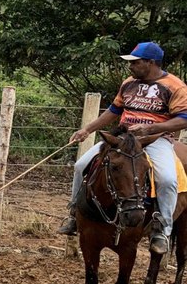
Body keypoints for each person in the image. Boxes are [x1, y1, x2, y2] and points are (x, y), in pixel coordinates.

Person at [58, 41, 187, 254]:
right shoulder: (129, 82)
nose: (130, 66)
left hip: (155, 140)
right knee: (81, 165)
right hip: (123, 138)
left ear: (150, 62)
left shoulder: (175, 86)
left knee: (167, 179)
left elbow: (183, 119)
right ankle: (74, 213)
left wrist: (150, 128)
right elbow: (114, 111)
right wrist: (87, 129)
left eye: (135, 62)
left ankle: (162, 229)